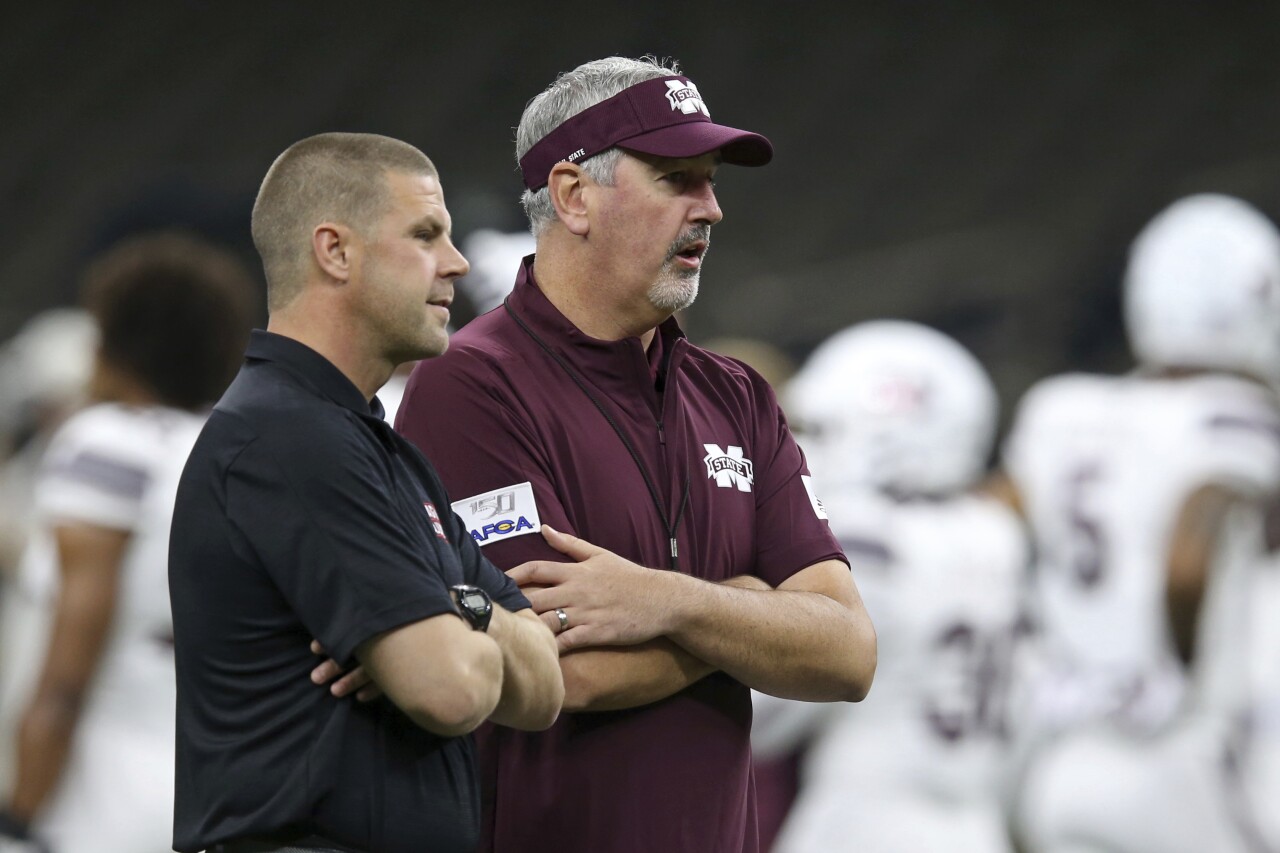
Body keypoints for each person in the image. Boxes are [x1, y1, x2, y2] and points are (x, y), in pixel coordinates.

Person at [395, 56, 877, 853]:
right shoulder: (470, 385)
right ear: (573, 195)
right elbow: (554, 669)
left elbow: (848, 653)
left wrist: (675, 602)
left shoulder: (737, 395)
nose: (712, 209)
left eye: (712, 180)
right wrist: (754, 608)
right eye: (677, 179)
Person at [167, 133, 564, 853]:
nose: (458, 262)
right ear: (335, 251)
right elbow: (451, 689)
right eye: (424, 234)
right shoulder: (289, 435)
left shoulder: (376, 446)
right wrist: (469, 621)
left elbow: (542, 690)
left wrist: (457, 608)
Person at [998, 194, 1280, 852]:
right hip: (1174, 757)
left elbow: (994, 526)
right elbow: (1188, 562)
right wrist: (1175, 668)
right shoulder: (1235, 415)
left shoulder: (1060, 408)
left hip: (1061, 764)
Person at [0, 233, 256, 853]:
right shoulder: (231, 452)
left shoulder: (107, 442)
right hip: (211, 789)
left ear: (117, 342)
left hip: (96, 795)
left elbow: (67, 672)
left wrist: (20, 817)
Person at [751, 320, 1030, 853]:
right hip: (978, 823)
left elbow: (761, 718)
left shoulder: (870, 544)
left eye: (820, 429)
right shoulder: (995, 534)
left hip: (863, 822)